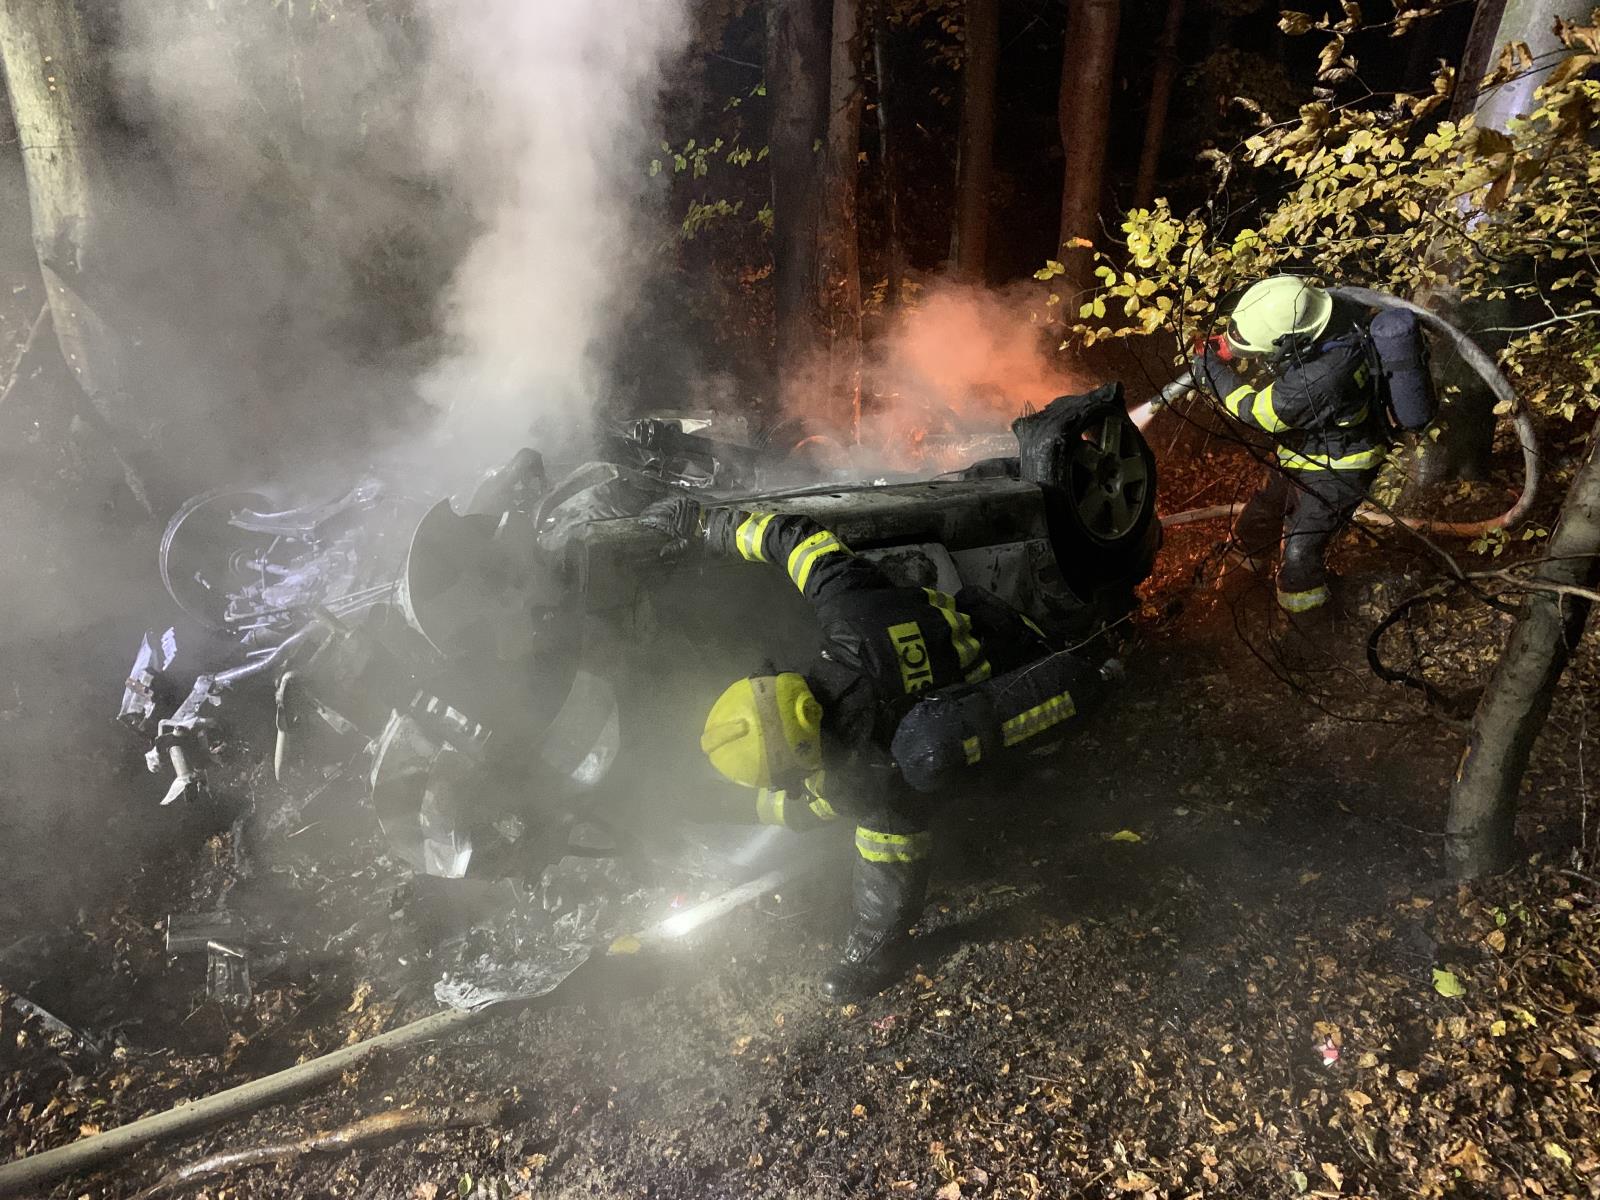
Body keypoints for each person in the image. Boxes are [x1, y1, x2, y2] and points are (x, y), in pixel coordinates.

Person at [640, 495, 1095, 1000]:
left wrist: (756, 811)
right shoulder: (845, 608)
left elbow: (835, 824)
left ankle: (1068, 724)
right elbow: (797, 540)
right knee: (927, 749)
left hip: (1026, 690)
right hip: (1005, 627)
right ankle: (1080, 677)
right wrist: (710, 525)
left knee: (916, 780)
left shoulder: (869, 772)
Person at [1190, 276, 1384, 615]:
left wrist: (1215, 374)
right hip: (1300, 452)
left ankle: (1307, 630)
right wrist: (1234, 342)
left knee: (1298, 555)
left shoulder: (1320, 378)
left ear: (1291, 341)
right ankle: (1233, 601)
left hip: (1340, 466)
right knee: (1254, 526)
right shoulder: (1318, 313)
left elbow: (1257, 413)